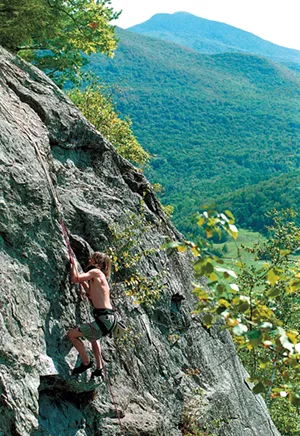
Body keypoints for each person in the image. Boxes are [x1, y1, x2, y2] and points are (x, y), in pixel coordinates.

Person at [67, 252, 116, 377]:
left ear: (97, 264)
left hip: (104, 319)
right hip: (107, 319)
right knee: (94, 338)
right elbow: (90, 293)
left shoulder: (96, 272)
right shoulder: (101, 278)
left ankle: (86, 362)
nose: (89, 261)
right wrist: (84, 282)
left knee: (72, 335)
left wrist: (73, 264)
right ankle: (99, 368)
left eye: (92, 260)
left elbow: (74, 278)